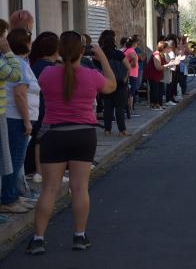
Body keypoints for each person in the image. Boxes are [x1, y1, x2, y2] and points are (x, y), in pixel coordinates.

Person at [27, 31, 117, 255]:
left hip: (53, 135)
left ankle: (38, 239)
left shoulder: (47, 74)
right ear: (81, 51)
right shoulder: (91, 75)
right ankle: (79, 235)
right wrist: (103, 58)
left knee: (49, 189)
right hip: (83, 135)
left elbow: (46, 83)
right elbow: (112, 85)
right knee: (79, 188)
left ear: (59, 50)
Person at [0, 29, 39, 214]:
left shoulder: (19, 63)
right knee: (14, 160)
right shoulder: (19, 65)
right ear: (25, 43)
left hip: (14, 117)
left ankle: (13, 195)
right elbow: (20, 94)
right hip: (16, 118)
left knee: (15, 160)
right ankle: (8, 198)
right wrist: (27, 121)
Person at [27, 32, 59, 184]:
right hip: (48, 109)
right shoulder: (51, 68)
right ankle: (44, 172)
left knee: (40, 140)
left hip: (37, 108)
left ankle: (39, 172)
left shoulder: (35, 65)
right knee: (47, 141)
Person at [98, 30, 130, 136]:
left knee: (107, 107)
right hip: (120, 84)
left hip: (105, 83)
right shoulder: (119, 54)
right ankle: (122, 130)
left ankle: (107, 130)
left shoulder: (100, 55)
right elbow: (128, 67)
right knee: (119, 108)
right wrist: (125, 78)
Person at [123, 37, 140, 119]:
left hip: (130, 74)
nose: (137, 44)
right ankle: (129, 111)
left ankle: (128, 110)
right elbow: (134, 63)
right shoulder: (131, 51)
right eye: (136, 43)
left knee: (129, 93)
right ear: (133, 43)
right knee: (131, 94)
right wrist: (133, 63)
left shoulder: (126, 50)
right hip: (132, 74)